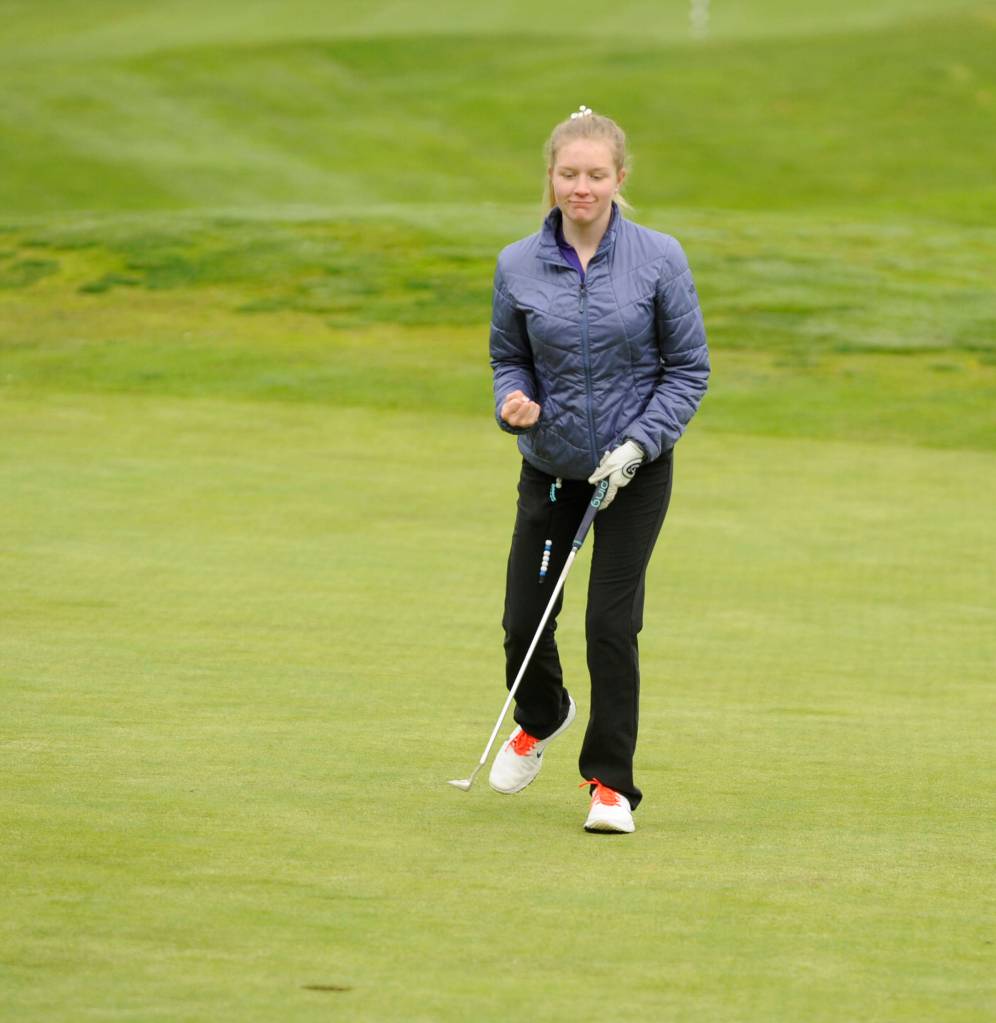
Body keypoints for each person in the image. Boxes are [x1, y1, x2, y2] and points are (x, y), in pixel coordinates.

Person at [487, 106, 710, 834]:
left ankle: (610, 784)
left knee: (610, 625)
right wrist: (513, 402)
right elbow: (508, 356)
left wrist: (641, 442)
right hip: (551, 469)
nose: (581, 187)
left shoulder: (658, 258)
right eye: (568, 174)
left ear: (619, 178)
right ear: (550, 179)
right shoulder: (518, 263)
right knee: (525, 620)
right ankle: (543, 714)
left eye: (595, 175)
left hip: (635, 474)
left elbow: (687, 370)